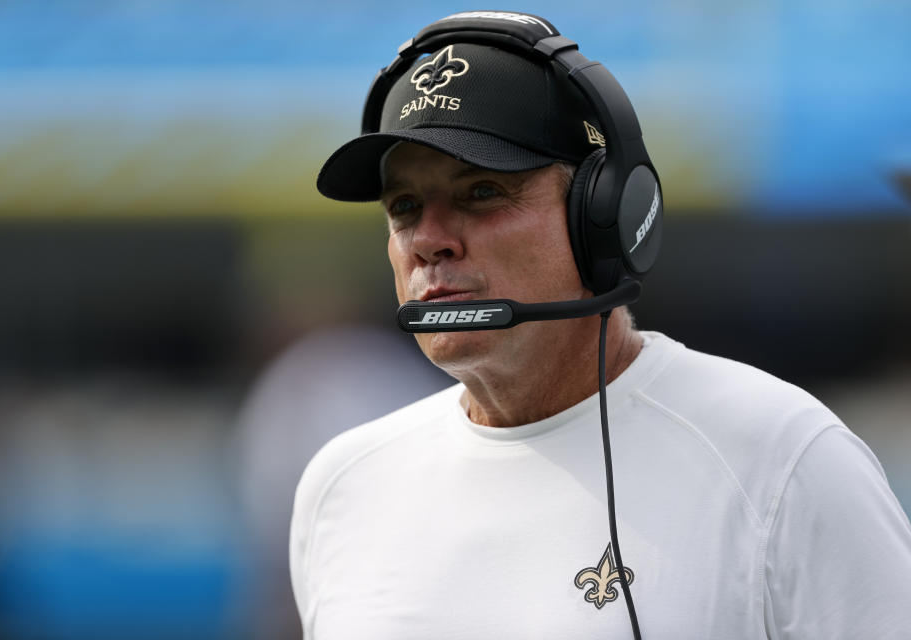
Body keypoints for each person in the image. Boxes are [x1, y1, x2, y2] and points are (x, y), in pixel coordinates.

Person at [290, 11, 911, 639]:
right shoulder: (343, 486)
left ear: (604, 215)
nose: (428, 240)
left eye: (481, 192)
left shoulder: (783, 460)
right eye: (404, 207)